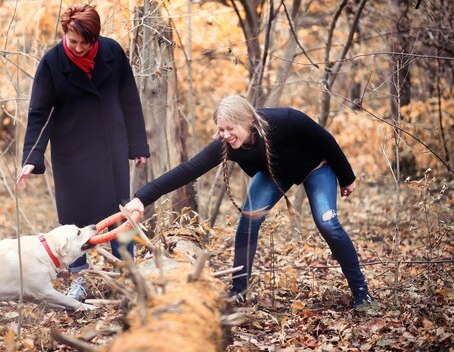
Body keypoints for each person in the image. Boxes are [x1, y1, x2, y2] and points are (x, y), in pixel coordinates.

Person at [124, 94, 373, 308]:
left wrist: (346, 177)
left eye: (230, 128)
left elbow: (325, 139)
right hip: (275, 175)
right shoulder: (227, 145)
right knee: (247, 223)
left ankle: (361, 291)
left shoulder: (285, 120)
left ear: (248, 121)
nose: (226, 134)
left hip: (316, 167)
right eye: (221, 129)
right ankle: (239, 290)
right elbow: (188, 170)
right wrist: (141, 198)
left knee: (327, 223)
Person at [16, 3, 150, 302]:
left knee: (121, 213)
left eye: (84, 42)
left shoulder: (113, 53)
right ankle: (79, 280)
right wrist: (30, 159)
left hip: (110, 146)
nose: (76, 48)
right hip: (72, 152)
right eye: (71, 40)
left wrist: (137, 144)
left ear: (95, 38)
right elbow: (40, 113)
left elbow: (129, 98)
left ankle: (128, 273)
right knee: (73, 221)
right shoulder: (52, 62)